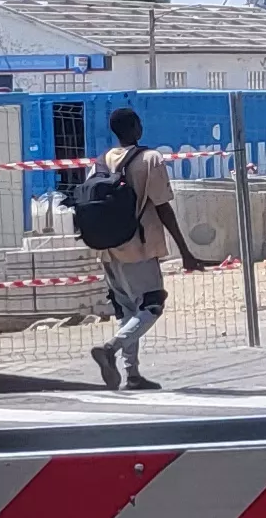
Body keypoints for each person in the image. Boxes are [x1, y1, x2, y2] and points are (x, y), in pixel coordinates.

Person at [77, 106, 206, 390]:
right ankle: (110, 349)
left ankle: (132, 374)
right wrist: (184, 251)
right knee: (152, 304)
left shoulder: (99, 162)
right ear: (136, 126)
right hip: (139, 246)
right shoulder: (150, 159)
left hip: (108, 248)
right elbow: (163, 207)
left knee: (125, 311)